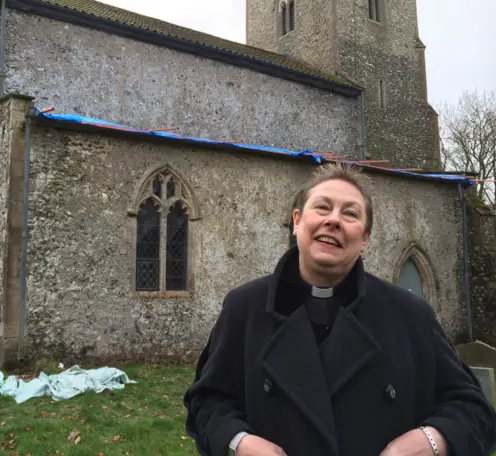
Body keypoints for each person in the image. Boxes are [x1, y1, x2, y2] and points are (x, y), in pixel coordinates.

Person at [184, 163, 496, 456]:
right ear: (296, 222)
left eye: (350, 213)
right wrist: (240, 442)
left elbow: (473, 409)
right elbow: (208, 401)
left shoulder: (410, 315)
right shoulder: (244, 308)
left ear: (365, 238)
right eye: (322, 207)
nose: (333, 220)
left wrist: (430, 439)